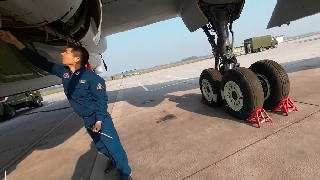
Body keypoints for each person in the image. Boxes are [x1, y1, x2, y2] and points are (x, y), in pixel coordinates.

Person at [0, 30, 132, 180]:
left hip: (99, 119)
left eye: (66, 52)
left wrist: (100, 121)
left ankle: (125, 172)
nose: (62, 54)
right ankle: (114, 162)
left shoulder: (92, 78)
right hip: (87, 119)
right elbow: (41, 62)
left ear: (76, 59)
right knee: (100, 146)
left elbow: (101, 102)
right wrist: (16, 42)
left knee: (113, 147)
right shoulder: (65, 73)